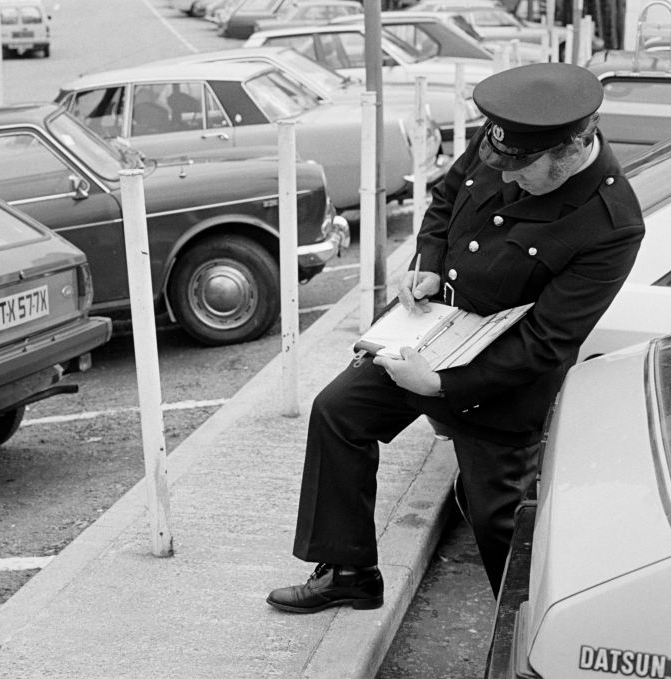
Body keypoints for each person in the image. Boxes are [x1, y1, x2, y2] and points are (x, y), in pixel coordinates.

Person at [266, 62, 645, 612]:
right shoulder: (507, 141)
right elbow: (446, 202)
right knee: (338, 413)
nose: (507, 177)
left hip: (498, 382)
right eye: (503, 165)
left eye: (523, 172)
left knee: (501, 521)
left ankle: (522, 631)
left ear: (569, 151)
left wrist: (442, 384)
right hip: (431, 333)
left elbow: (546, 342)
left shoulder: (612, 223)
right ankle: (350, 571)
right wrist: (430, 265)